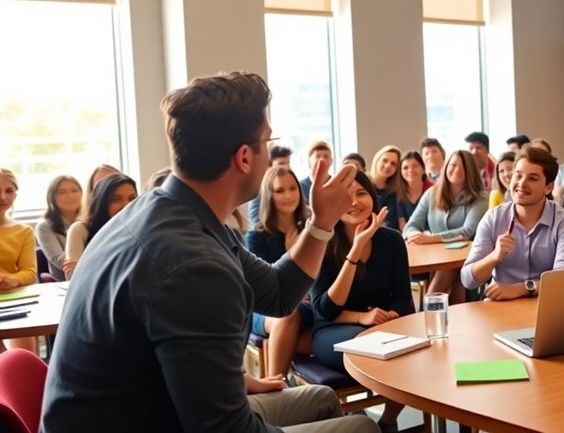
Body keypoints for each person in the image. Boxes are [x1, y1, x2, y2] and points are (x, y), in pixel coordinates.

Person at [42, 71, 376, 433]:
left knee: (321, 399)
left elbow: (279, 294)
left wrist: (321, 223)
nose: (274, 158)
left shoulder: (173, 211)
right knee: (359, 428)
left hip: (154, 406)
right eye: (269, 141)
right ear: (245, 157)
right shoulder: (193, 266)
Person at [309, 171, 411, 433]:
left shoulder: (392, 240)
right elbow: (325, 310)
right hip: (330, 331)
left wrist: (387, 315)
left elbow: (404, 302)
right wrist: (355, 250)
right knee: (366, 343)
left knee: (411, 349)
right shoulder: (322, 242)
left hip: (382, 326)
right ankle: (359, 419)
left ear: (372, 198)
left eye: (361, 194)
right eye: (346, 196)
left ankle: (387, 421)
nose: (354, 202)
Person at [461, 146, 564, 300]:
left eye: (533, 178)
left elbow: (562, 282)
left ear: (548, 187)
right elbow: (467, 280)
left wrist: (521, 288)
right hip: (501, 306)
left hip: (548, 303)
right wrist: (494, 256)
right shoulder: (493, 218)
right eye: (517, 176)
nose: (521, 184)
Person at [246, 166, 315, 379]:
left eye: (293, 188)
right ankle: (276, 386)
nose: (288, 195)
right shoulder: (257, 235)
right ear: (269, 195)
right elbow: (264, 290)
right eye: (279, 190)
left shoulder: (311, 227)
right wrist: (291, 250)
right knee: (286, 316)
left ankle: (300, 386)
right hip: (265, 309)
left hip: (308, 303)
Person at [404, 150, 489, 304]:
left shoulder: (480, 197)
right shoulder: (431, 193)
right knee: (453, 276)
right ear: (446, 166)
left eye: (463, 167)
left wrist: (431, 239)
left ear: (470, 172)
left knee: (451, 271)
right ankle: (452, 320)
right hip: (437, 258)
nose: (456, 170)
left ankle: (429, 312)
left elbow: (467, 232)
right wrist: (413, 235)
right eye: (453, 165)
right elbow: (411, 225)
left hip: (468, 257)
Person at [63, 173, 138, 280]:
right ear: (102, 203)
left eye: (132, 199)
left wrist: (86, 268)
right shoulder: (80, 230)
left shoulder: (141, 229)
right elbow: (72, 276)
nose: (126, 205)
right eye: (116, 199)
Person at [0, 168, 38, 353]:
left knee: (26, 359)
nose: (3, 197)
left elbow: (30, 271)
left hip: (11, 301)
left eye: (9, 191)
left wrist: (14, 279)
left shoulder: (24, 231)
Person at [35, 175, 83, 281]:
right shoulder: (44, 227)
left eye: (74, 190)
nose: (70, 196)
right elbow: (62, 262)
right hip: (66, 284)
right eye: (61, 192)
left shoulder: (91, 221)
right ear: (51, 197)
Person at [249, 144, 294, 224]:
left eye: (288, 163)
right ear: (268, 167)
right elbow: (256, 222)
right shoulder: (258, 191)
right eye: (281, 164)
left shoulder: (292, 186)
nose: (286, 167)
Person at [368, 146, 402, 230]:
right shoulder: (363, 183)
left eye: (393, 164)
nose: (388, 166)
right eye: (385, 160)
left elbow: (391, 222)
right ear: (377, 160)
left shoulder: (394, 191)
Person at [396, 150, 433, 230]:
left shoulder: (433, 190)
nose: (410, 170)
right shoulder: (399, 193)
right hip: (411, 237)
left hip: (433, 236)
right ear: (401, 172)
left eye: (415, 166)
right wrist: (412, 235)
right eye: (405, 168)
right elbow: (402, 223)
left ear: (423, 169)